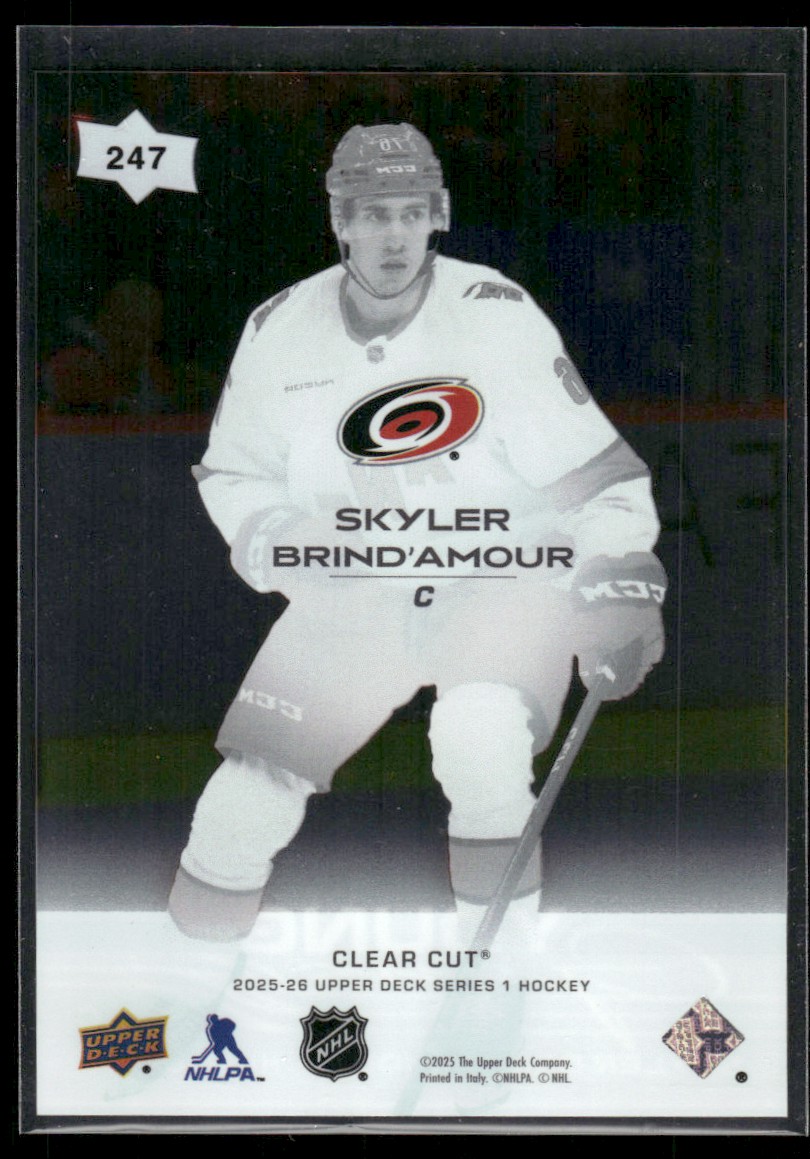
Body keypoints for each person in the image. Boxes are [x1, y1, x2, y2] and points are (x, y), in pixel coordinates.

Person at [168, 123, 666, 941]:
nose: (394, 236)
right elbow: (232, 472)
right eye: (374, 214)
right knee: (241, 804)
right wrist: (280, 535)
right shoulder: (278, 327)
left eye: (410, 212)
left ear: (438, 214)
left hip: (500, 579)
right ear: (340, 220)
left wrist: (616, 572)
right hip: (357, 588)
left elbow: (601, 476)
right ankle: (184, 983)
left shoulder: (495, 315)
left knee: (478, 742)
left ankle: (500, 980)